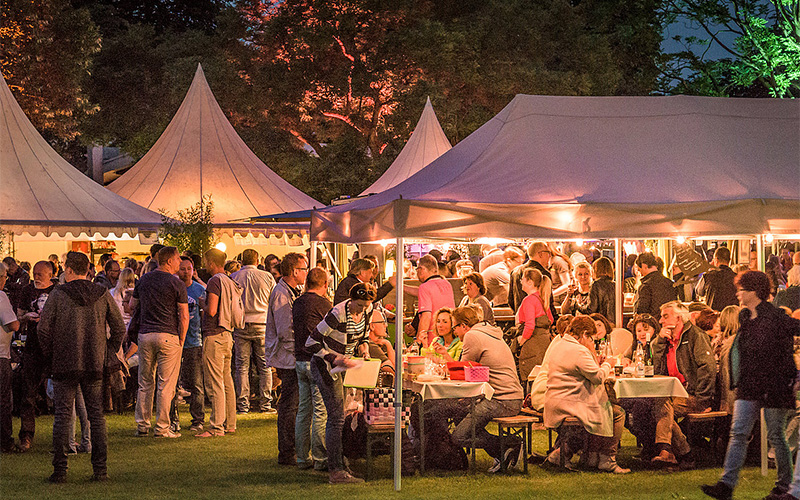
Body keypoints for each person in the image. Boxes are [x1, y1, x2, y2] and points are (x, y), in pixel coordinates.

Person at [702, 271, 800, 500]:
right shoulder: (745, 318)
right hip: (749, 386)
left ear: (754, 292)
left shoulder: (775, 317)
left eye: (741, 290)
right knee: (738, 433)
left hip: (774, 386)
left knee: (776, 435)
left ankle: (783, 484)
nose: (738, 294)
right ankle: (726, 484)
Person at [37, 251, 125, 482]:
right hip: (94, 361)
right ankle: (100, 470)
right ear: (88, 270)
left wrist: (52, 353)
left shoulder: (58, 294)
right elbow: (119, 328)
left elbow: (43, 329)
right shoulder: (102, 293)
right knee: (96, 416)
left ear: (68, 270)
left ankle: (60, 470)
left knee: (63, 416)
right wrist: (107, 350)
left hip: (65, 361)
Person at [305, 282, 376, 484]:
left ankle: (339, 462)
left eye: (366, 305)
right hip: (326, 367)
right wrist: (333, 358)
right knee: (335, 417)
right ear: (351, 300)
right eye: (359, 305)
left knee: (342, 415)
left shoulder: (367, 310)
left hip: (345, 366)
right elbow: (311, 342)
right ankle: (336, 470)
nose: (362, 309)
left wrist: (364, 348)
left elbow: (364, 336)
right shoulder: (337, 313)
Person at [544, 316, 629, 474]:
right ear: (583, 334)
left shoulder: (560, 344)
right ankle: (607, 459)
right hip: (570, 404)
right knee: (616, 413)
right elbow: (597, 377)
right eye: (591, 338)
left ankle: (584, 455)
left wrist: (595, 359)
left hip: (555, 401)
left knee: (604, 407)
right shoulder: (579, 350)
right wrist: (607, 364)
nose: (592, 342)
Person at [450, 305, 524, 472]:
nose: (454, 332)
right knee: (458, 413)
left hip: (502, 399)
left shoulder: (472, 336)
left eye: (455, 326)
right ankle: (504, 450)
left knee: (458, 436)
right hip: (512, 396)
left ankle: (509, 445)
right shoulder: (490, 333)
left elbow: (463, 371)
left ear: (463, 325)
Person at [131, 246, 190, 438]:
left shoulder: (144, 280)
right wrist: (182, 337)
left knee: (145, 381)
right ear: (169, 261)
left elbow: (132, 306)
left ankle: (142, 424)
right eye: (178, 258)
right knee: (166, 384)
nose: (180, 261)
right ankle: (162, 427)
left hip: (146, 334)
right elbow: (183, 315)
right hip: (168, 334)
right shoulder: (176, 283)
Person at [650, 300, 716, 468]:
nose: (661, 321)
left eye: (665, 316)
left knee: (661, 405)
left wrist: (702, 399)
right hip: (672, 394)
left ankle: (670, 451)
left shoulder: (695, 336)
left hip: (691, 395)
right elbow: (656, 369)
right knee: (651, 405)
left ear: (679, 318)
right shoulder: (667, 340)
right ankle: (682, 453)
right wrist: (658, 342)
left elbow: (707, 368)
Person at [266, 252, 308, 464]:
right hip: (287, 357)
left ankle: (290, 449)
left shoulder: (291, 291)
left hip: (289, 355)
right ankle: (287, 451)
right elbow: (285, 330)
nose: (306, 273)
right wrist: (300, 350)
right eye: (304, 269)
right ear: (294, 272)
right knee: (290, 405)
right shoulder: (282, 294)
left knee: (292, 404)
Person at [195, 249, 241, 438]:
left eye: (206, 261)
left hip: (214, 334)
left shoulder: (215, 281)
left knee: (215, 383)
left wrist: (202, 304)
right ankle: (230, 423)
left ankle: (216, 426)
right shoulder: (230, 280)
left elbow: (212, 310)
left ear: (211, 262)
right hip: (227, 334)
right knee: (227, 380)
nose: (205, 265)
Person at [291, 266, 330, 471]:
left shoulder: (298, 303)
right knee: (320, 410)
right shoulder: (324, 304)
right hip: (317, 360)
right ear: (325, 284)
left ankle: (301, 457)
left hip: (299, 360)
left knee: (303, 410)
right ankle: (320, 458)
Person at [14, 260, 55, 452]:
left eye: (40, 274)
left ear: (50, 274)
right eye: (35, 274)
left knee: (61, 393)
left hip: (53, 348)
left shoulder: (57, 292)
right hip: (32, 347)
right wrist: (25, 318)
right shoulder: (27, 291)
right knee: (28, 393)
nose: (36, 277)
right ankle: (26, 435)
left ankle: (64, 437)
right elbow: (19, 314)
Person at [230, 249, 276, 414]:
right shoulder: (267, 277)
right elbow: (273, 299)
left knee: (242, 366)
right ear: (258, 261)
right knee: (265, 366)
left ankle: (243, 405)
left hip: (241, 323)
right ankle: (266, 404)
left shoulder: (234, 277)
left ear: (241, 260)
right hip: (262, 323)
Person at [172, 256, 206, 433]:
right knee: (173, 383)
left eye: (188, 268)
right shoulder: (173, 288)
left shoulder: (199, 290)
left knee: (196, 383)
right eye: (182, 268)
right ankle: (172, 419)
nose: (185, 272)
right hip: (175, 341)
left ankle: (198, 419)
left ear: (193, 270)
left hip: (194, 340)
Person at [515, 268, 553, 380]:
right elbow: (550, 320)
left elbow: (530, 326)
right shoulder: (542, 298)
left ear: (530, 282)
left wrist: (521, 341)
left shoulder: (529, 300)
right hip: (544, 344)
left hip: (532, 347)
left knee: (531, 380)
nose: (521, 282)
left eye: (523, 279)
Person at [508, 241, 558, 322]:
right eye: (548, 253)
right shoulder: (542, 274)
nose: (549, 256)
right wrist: (555, 322)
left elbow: (511, 300)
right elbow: (548, 301)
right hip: (538, 322)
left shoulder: (515, 271)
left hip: (521, 321)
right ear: (540, 254)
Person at [412, 254, 455, 346]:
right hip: (448, 336)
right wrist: (402, 287)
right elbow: (422, 291)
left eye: (417, 269)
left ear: (421, 269)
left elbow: (426, 317)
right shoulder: (447, 284)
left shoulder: (425, 287)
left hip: (432, 339)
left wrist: (418, 342)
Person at [0, 262, 20, 453]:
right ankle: (5, 441)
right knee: (3, 400)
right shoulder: (1, 296)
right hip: (1, 356)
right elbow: (12, 324)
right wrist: (22, 319)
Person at [634, 252, 678, 317]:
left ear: (644, 266)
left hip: (652, 324)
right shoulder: (670, 283)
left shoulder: (646, 286)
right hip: (669, 322)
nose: (640, 272)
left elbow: (642, 311)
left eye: (639, 269)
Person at [573, 257, 615, 323]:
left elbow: (591, 310)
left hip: (601, 323)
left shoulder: (596, 284)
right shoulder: (615, 285)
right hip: (614, 322)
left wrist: (576, 305)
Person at [696, 247, 738, 312]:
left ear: (715, 260)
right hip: (731, 316)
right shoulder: (737, 277)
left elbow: (699, 291)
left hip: (713, 316)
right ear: (729, 260)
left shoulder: (708, 275)